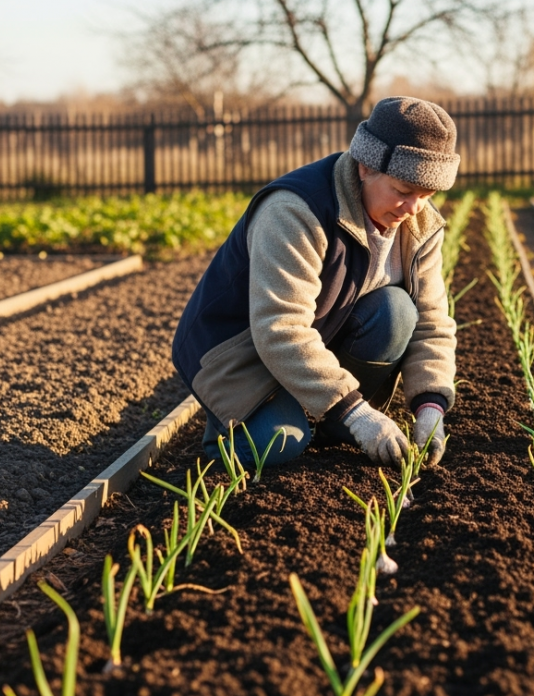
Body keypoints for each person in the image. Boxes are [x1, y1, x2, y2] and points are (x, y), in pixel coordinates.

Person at [172, 96, 459, 469]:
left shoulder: (419, 223)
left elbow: (432, 320)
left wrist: (431, 405)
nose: (414, 208)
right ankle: (234, 430)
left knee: (398, 312)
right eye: (403, 191)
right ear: (364, 168)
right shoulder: (296, 210)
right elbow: (280, 327)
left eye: (427, 195)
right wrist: (358, 412)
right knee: (279, 444)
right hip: (242, 352)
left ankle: (333, 421)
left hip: (320, 335)